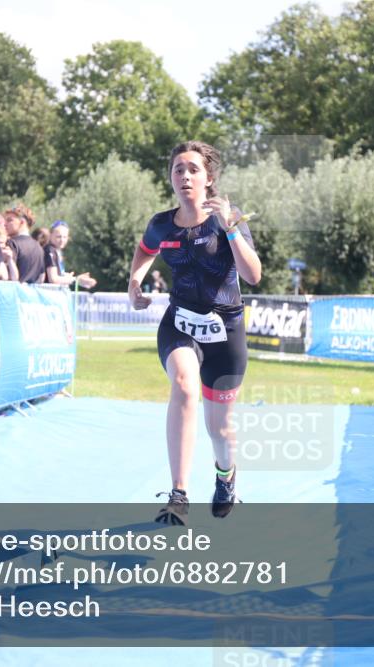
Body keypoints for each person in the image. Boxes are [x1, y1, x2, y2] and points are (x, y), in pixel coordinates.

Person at [127, 140, 261, 524]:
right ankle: (178, 494)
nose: (185, 176)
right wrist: (134, 282)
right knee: (184, 385)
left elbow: (253, 275)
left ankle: (225, 476)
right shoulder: (161, 224)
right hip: (180, 322)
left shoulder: (228, 216)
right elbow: (144, 251)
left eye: (193, 169)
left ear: (209, 178)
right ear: (170, 177)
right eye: (178, 169)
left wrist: (232, 228)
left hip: (226, 331)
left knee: (219, 428)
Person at [44, 220, 96, 289]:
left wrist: (68, 277)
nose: (62, 240)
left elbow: (57, 274)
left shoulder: (57, 251)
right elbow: (53, 279)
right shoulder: (50, 250)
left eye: (65, 237)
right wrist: (76, 280)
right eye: (58, 237)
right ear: (50, 236)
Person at [3, 205, 45, 283]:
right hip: (31, 293)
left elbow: (8, 275)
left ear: (22, 222)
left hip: (13, 292)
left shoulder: (12, 243)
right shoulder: (38, 247)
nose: (5, 224)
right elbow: (41, 277)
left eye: (9, 220)